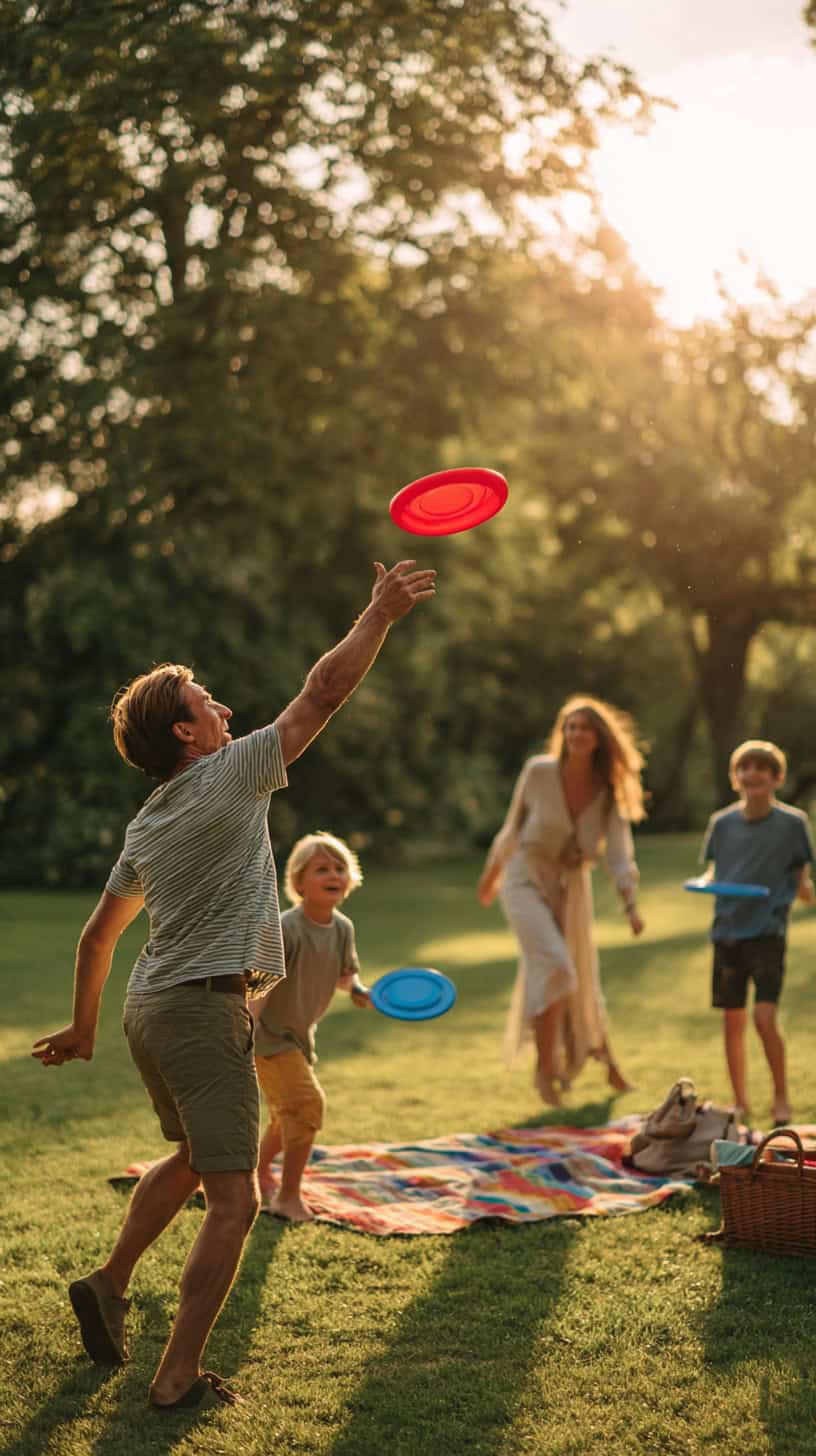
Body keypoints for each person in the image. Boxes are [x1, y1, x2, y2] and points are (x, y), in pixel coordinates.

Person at [31, 558, 436, 1414]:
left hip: (150, 1008)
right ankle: (176, 1376)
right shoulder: (231, 772)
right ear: (186, 735)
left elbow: (99, 934)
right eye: (206, 701)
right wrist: (378, 615)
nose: (221, 708)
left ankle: (108, 1282)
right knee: (234, 1199)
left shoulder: (148, 821)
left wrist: (83, 1029)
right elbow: (322, 692)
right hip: (203, 1009)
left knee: (189, 1158)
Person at [477, 694, 646, 1106]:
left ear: (599, 737)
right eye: (570, 727)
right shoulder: (538, 772)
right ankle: (544, 1069)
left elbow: (621, 854)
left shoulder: (608, 792)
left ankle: (598, 1057)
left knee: (580, 974)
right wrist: (491, 877)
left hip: (571, 888)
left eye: (584, 727)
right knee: (555, 965)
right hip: (524, 879)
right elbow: (511, 827)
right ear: (563, 734)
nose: (576, 734)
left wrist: (630, 906)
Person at [251, 831, 371, 1223]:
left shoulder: (343, 928)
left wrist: (357, 989)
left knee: (285, 1113)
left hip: (300, 1036)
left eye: (340, 867)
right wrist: (245, 1025)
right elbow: (261, 983)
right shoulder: (287, 928)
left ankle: (255, 1173)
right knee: (306, 1105)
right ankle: (287, 1198)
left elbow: (345, 975)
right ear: (299, 883)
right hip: (268, 1035)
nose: (333, 873)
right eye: (322, 868)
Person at [700, 738, 814, 1124]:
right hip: (728, 931)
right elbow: (714, 870)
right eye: (745, 769)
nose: (752, 774)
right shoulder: (722, 824)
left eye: (761, 769)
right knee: (732, 1019)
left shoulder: (792, 823)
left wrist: (804, 892)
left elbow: (801, 870)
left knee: (763, 1017)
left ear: (776, 777)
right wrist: (705, 882)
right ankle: (740, 1102)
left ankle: (781, 1097)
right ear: (736, 778)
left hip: (768, 930)